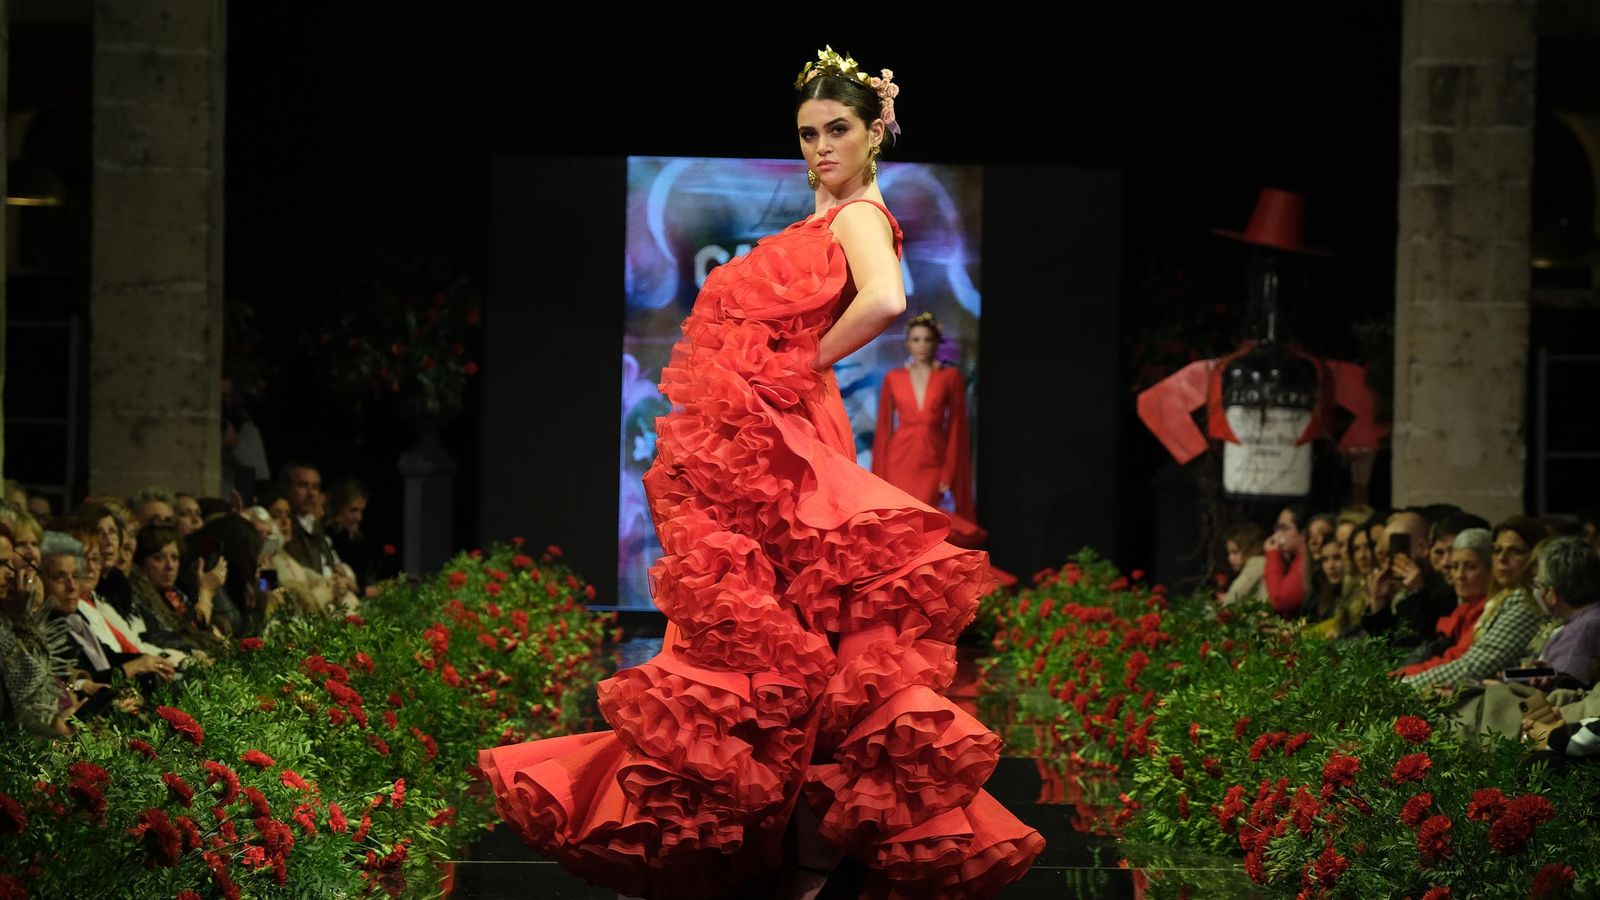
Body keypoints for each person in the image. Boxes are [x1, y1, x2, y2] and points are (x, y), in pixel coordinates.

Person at [477, 48, 1043, 900]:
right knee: (776, 623)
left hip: (787, 428)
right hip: (773, 430)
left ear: (876, 129)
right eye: (809, 133)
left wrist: (802, 359)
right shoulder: (826, 212)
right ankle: (781, 842)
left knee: (786, 623)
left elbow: (887, 301)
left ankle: (788, 842)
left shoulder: (859, 215)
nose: (821, 147)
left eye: (838, 130)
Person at [871, 312, 975, 525]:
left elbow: (957, 427)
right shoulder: (894, 378)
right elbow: (884, 428)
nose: (922, 345)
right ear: (907, 343)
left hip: (933, 458)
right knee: (900, 522)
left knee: (924, 521)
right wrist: (880, 474)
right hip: (898, 459)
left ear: (936, 342)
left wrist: (949, 471)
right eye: (916, 340)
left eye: (927, 339)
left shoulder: (950, 377)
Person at [1219, 522, 1267, 606]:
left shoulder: (1257, 563)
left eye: (1235, 552)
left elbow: (1237, 593)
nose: (1230, 558)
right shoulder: (1262, 562)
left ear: (1251, 549)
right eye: (1229, 553)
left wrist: (1225, 603)